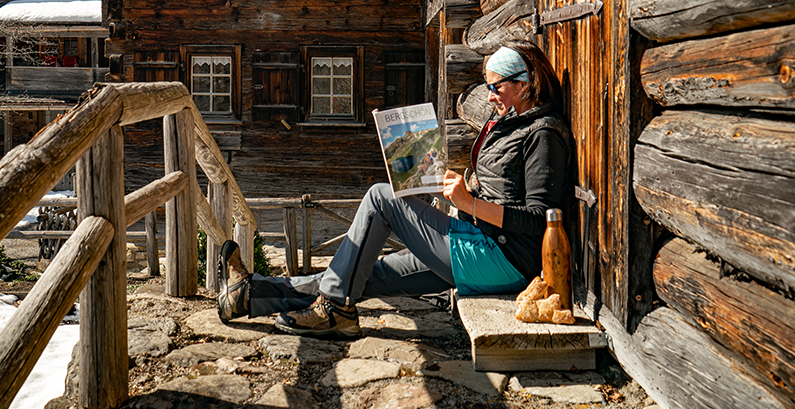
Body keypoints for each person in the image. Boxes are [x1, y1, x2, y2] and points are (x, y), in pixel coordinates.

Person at [217, 40, 572, 339]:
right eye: (487, 87)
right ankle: (250, 294)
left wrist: (469, 203)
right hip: (475, 239)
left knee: (380, 196)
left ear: (525, 83)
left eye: (496, 87)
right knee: (358, 272)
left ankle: (333, 311)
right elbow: (498, 189)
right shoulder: (511, 123)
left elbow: (539, 220)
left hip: (503, 258)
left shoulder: (542, 133)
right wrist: (436, 180)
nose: (490, 96)